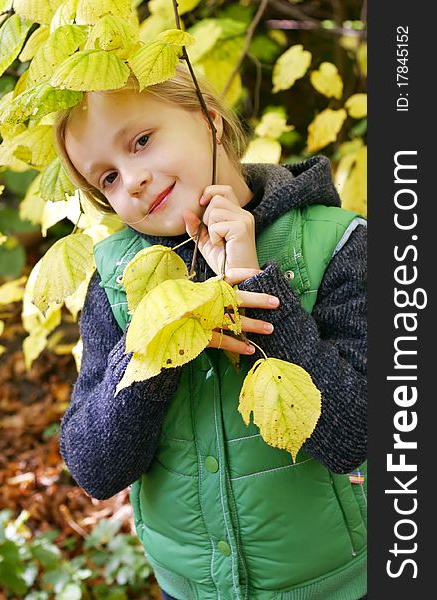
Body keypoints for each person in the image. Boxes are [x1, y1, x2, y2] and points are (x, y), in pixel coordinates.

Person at [56, 62, 367, 600]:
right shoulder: (116, 281)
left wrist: (256, 291)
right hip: (191, 586)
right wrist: (157, 340)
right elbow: (95, 468)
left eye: (142, 141)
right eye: (106, 178)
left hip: (336, 581)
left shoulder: (337, 244)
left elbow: (356, 439)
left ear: (209, 118)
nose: (131, 181)